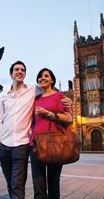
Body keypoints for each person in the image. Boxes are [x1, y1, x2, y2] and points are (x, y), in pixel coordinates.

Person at [0, 61, 71, 199]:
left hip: (37, 143)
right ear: (11, 74)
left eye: (22, 69)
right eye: (16, 69)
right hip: (19, 144)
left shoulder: (39, 91)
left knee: (31, 184)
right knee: (29, 185)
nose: (19, 71)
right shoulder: (6, 94)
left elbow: (66, 113)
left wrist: (67, 101)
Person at [30, 68, 73, 199]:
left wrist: (49, 114)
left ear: (52, 80)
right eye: (40, 77)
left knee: (53, 185)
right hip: (36, 144)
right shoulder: (34, 99)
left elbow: (69, 118)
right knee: (38, 187)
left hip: (55, 143)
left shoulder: (59, 96)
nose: (42, 78)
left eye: (46, 76)